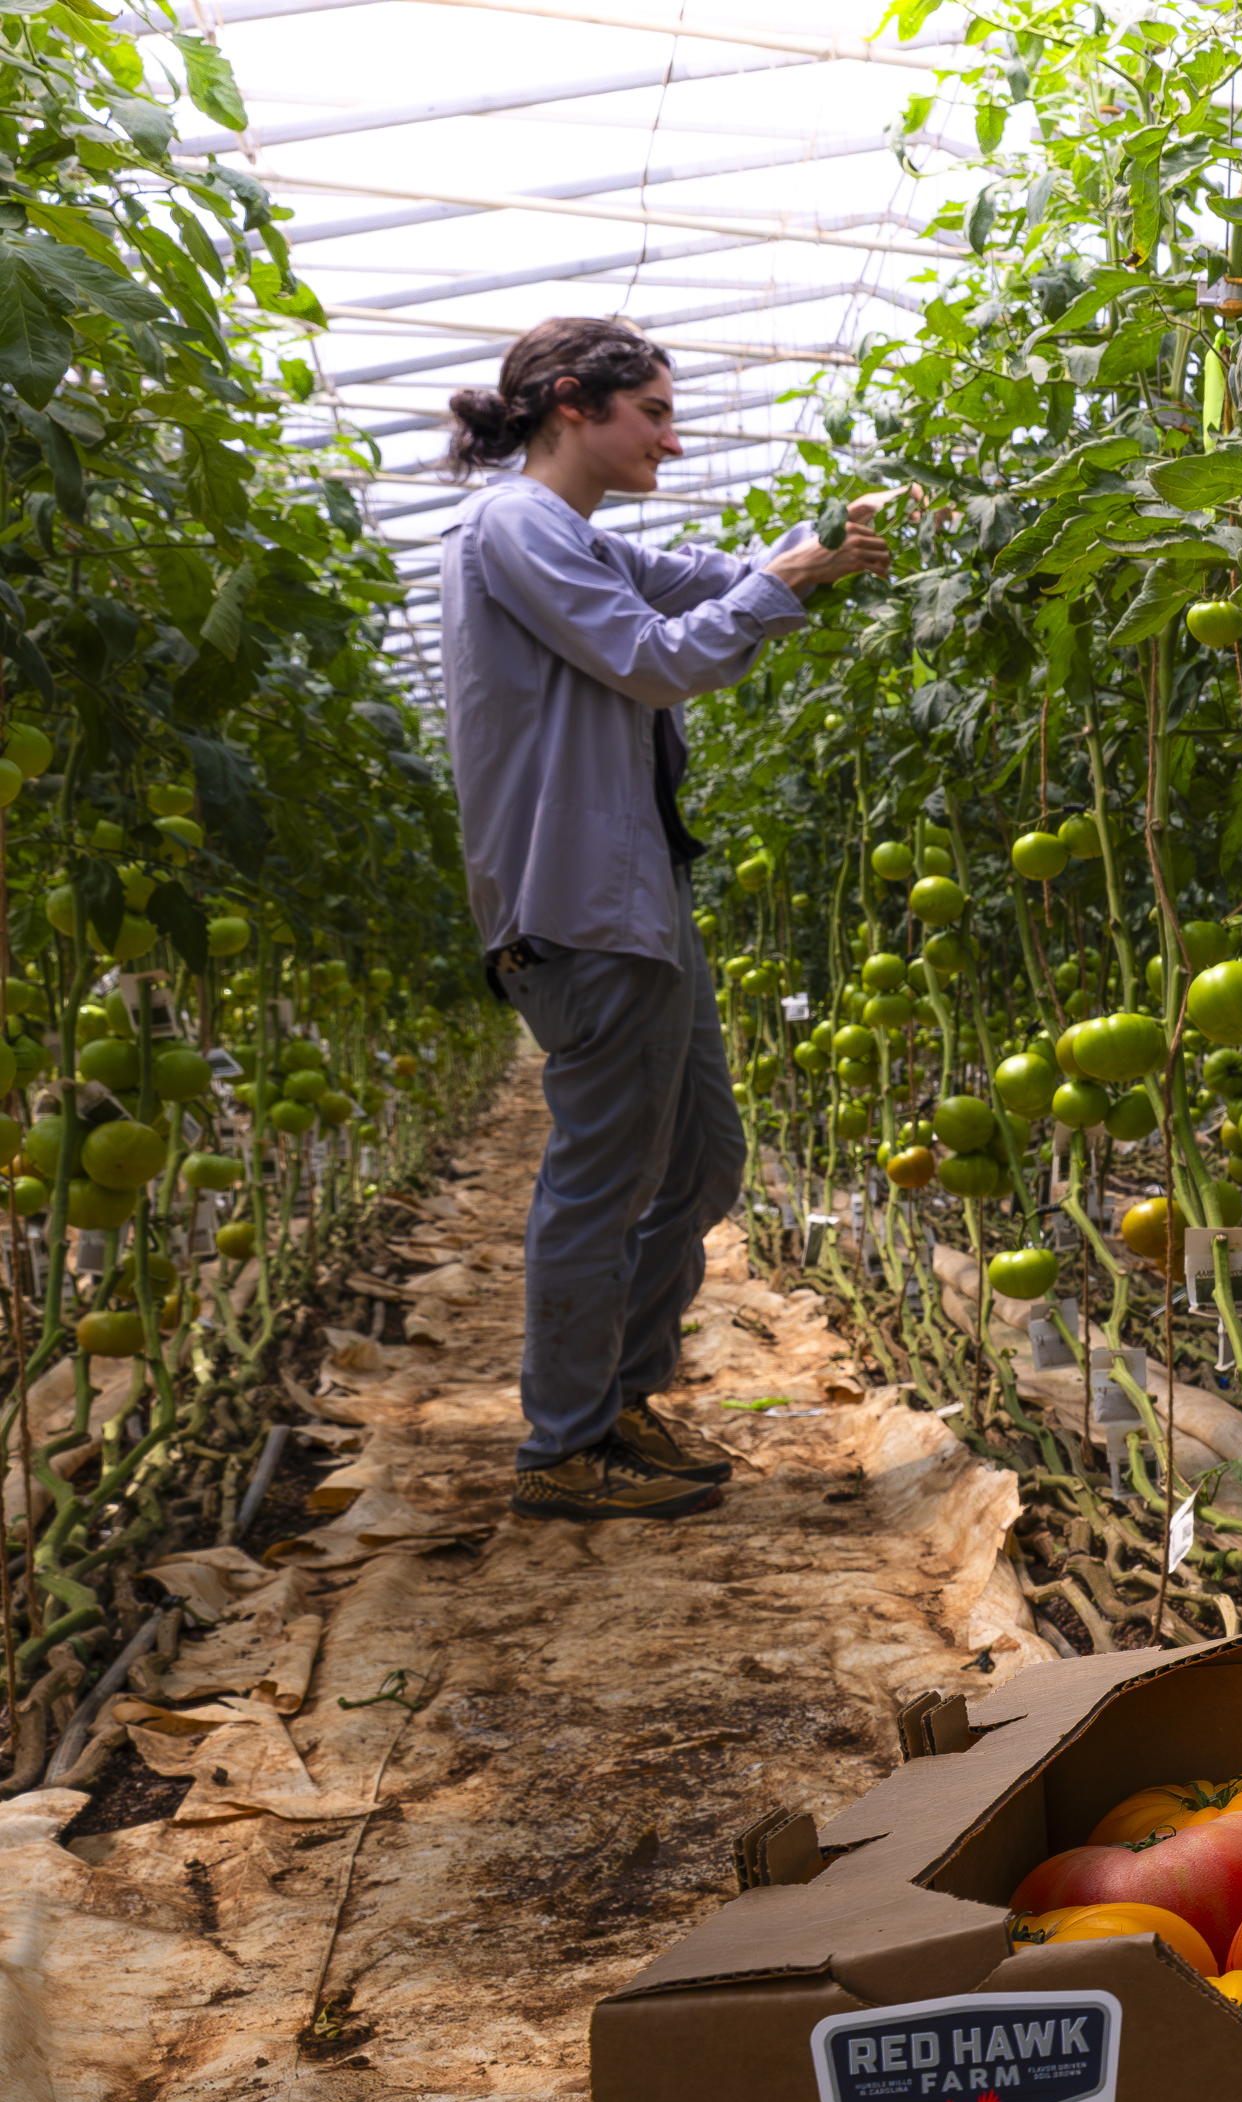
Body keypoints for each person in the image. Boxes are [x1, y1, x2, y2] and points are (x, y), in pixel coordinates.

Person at [436, 318, 892, 1522]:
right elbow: (656, 658)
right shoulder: (516, 526)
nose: (674, 442)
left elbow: (689, 579)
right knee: (602, 1182)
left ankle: (617, 1402)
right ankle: (563, 1446)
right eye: (655, 415)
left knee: (697, 1162)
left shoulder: (569, 534)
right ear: (575, 404)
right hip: (581, 907)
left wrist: (819, 550)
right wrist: (782, 586)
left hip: (636, 903)